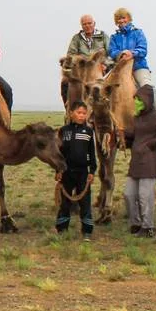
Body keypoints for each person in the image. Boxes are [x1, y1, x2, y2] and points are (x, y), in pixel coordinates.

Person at [123, 85, 156, 238]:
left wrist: (152, 144)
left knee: (145, 197)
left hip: (149, 163)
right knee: (129, 194)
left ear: (147, 100)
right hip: (136, 162)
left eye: (139, 99)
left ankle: (148, 228)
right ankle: (136, 223)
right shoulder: (137, 118)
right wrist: (121, 133)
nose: (136, 102)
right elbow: (134, 135)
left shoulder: (155, 116)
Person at [56, 101, 99, 239]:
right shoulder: (63, 131)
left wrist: (92, 171)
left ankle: (87, 231)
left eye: (84, 113)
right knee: (65, 202)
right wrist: (58, 171)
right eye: (79, 112)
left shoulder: (89, 132)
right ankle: (62, 230)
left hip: (83, 173)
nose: (81, 116)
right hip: (66, 172)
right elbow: (59, 153)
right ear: (71, 113)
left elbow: (92, 153)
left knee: (85, 202)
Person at [61, 14, 108, 103]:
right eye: (84, 24)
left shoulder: (103, 36)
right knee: (65, 81)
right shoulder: (77, 38)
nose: (87, 26)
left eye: (89, 23)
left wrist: (105, 64)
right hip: (81, 68)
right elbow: (70, 54)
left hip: (99, 67)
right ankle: (68, 106)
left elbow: (110, 52)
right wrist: (79, 61)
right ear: (82, 26)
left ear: (94, 23)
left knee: (112, 83)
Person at [108, 8, 153, 89]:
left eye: (123, 18)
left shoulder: (138, 32)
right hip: (119, 68)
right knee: (103, 86)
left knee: (147, 85)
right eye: (119, 18)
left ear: (129, 18)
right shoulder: (114, 37)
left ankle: (154, 97)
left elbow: (143, 49)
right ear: (116, 21)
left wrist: (132, 54)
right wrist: (121, 54)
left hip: (138, 67)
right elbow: (111, 51)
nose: (121, 20)